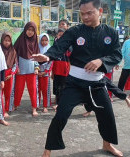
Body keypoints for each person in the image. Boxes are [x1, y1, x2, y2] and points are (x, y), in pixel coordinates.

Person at [31, 0, 124, 156]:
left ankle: (107, 144)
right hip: (74, 83)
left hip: (98, 83)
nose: (85, 17)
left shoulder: (111, 33)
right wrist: (47, 57)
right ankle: (47, 151)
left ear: (100, 11)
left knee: (107, 115)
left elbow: (116, 55)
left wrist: (101, 61)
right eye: (82, 14)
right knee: (60, 116)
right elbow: (59, 47)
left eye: (89, 13)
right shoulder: (75, 31)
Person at [13, 21, 40, 116]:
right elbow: (14, 54)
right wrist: (16, 67)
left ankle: (34, 108)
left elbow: (37, 55)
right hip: (21, 70)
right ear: (25, 30)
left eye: (32, 30)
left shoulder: (35, 41)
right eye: (28, 29)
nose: (30, 32)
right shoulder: (20, 40)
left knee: (33, 89)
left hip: (32, 70)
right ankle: (15, 105)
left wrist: (37, 67)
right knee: (18, 88)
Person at [51, 28, 71, 110]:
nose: (61, 37)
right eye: (59, 35)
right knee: (56, 87)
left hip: (64, 70)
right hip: (56, 69)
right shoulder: (55, 45)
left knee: (63, 88)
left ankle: (61, 104)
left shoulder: (69, 45)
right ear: (57, 36)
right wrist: (52, 72)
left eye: (63, 35)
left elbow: (71, 58)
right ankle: (58, 103)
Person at [0, 32, 18, 118]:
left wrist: (12, 73)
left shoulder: (13, 51)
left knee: (8, 93)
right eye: (5, 40)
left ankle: (6, 109)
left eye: (9, 41)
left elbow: (15, 64)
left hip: (10, 74)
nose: (7, 42)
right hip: (0, 73)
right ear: (2, 40)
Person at [38, 33, 52, 113]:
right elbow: (35, 60)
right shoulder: (37, 48)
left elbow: (51, 62)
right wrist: (38, 70)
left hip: (45, 74)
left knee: (45, 90)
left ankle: (45, 106)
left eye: (46, 40)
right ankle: (37, 104)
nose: (44, 42)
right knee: (38, 89)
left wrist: (45, 72)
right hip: (38, 72)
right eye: (42, 40)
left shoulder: (49, 49)